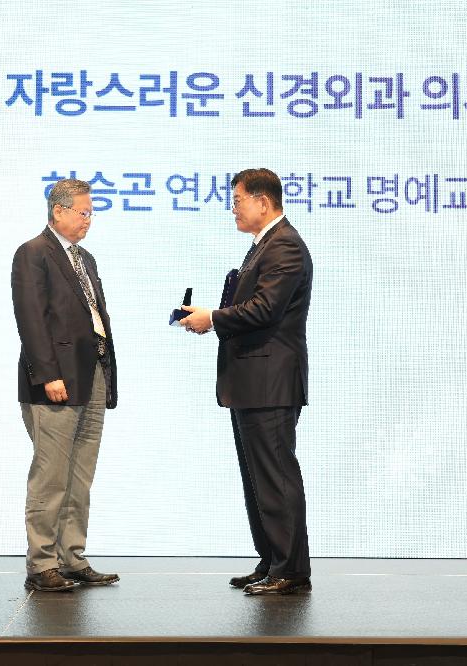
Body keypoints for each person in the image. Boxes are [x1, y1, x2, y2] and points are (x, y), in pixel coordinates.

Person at [179, 168, 313, 595]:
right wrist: (210, 316)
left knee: (275, 477)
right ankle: (272, 560)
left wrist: (213, 318)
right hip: (252, 381)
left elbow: (265, 309)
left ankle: (290, 569)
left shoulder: (284, 245)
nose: (232, 209)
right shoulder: (264, 246)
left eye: (237, 200)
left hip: (270, 381)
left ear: (263, 202)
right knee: (258, 478)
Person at [11, 178, 119, 592]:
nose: (89, 220)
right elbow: (31, 318)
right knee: (51, 475)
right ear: (58, 211)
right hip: (55, 378)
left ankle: (71, 557)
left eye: (91, 213)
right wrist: (48, 374)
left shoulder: (85, 258)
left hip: (92, 373)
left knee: (80, 475)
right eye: (83, 212)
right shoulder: (33, 253)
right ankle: (42, 563)